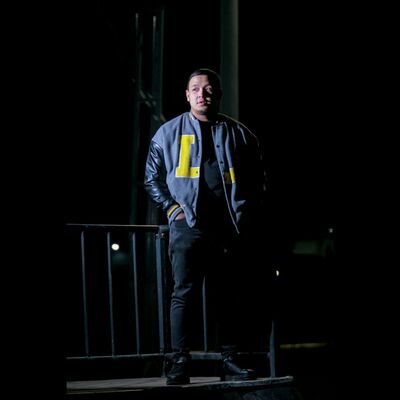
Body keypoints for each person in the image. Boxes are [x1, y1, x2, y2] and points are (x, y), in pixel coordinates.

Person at [144, 68, 267, 385]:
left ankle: (229, 359)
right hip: (187, 226)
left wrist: (246, 212)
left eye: (209, 88)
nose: (203, 93)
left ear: (218, 94)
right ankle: (179, 362)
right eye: (196, 88)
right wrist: (173, 209)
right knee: (183, 294)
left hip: (227, 228)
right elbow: (151, 179)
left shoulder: (240, 134)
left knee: (228, 295)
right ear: (187, 95)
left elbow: (258, 179)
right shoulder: (167, 133)